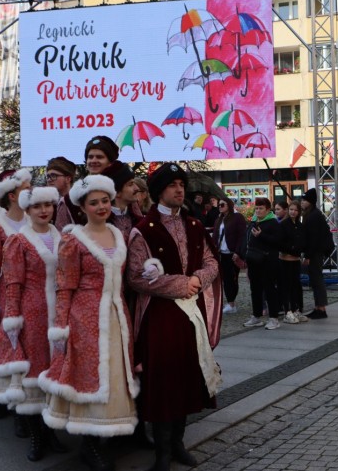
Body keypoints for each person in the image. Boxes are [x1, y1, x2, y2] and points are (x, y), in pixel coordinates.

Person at [127, 163, 222, 471]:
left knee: (186, 376)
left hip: (190, 314)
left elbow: (211, 261)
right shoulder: (143, 230)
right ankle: (162, 452)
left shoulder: (194, 225)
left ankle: (179, 443)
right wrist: (181, 284)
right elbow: (136, 277)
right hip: (160, 315)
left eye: (181, 184)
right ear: (158, 192)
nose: (179, 189)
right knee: (163, 381)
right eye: (172, 185)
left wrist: (199, 278)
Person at [39, 175, 138, 471]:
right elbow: (65, 285)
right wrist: (62, 327)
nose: (101, 206)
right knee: (88, 375)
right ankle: (89, 444)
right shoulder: (73, 239)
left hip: (117, 315)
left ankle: (108, 435)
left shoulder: (118, 234)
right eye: (94, 203)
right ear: (82, 207)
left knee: (115, 374)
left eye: (105, 200)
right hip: (85, 317)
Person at [0, 186, 67, 462]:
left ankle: (51, 430)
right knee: (33, 370)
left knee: (53, 367)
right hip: (32, 312)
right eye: (37, 206)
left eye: (48, 205)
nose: (44, 210)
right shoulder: (18, 241)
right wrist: (11, 319)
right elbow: (12, 283)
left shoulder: (62, 237)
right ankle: (36, 435)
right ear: (28, 210)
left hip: (58, 312)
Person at [0, 169, 32, 421]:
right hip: (7, 293)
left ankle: (28, 404)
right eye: (26, 189)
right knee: (8, 346)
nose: (31, 192)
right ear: (12, 196)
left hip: (33, 294)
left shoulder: (33, 222)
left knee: (30, 348)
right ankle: (6, 399)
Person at [240, 197, 282, 330]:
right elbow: (248, 240)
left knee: (269, 289)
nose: (258, 211)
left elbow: (278, 241)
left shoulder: (273, 222)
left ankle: (274, 318)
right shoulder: (253, 222)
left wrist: (261, 235)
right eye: (256, 208)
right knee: (255, 289)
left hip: (268, 261)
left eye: (261, 208)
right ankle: (256, 316)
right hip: (253, 261)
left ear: (268, 209)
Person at [300, 189, 331, 319]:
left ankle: (321, 309)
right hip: (315, 251)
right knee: (315, 279)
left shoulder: (313, 216)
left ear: (310, 202)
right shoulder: (312, 214)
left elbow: (313, 239)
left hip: (315, 253)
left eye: (304, 200)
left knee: (317, 280)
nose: (301, 203)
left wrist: (307, 256)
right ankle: (318, 307)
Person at [213, 198, 246, 315]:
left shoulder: (237, 218)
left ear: (229, 205)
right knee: (225, 279)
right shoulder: (219, 219)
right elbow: (216, 236)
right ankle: (230, 303)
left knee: (233, 278)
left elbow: (242, 236)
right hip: (222, 253)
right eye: (219, 205)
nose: (220, 207)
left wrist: (238, 252)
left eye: (222, 204)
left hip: (233, 253)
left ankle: (232, 303)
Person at [278, 200, 307, 323]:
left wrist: (300, 251)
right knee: (286, 286)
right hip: (285, 259)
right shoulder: (284, 224)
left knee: (296, 286)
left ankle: (296, 309)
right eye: (291, 209)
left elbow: (303, 242)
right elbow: (280, 243)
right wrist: (292, 249)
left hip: (296, 259)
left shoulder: (300, 226)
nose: (293, 212)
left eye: (295, 210)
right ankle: (287, 311)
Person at [101, 161, 142, 240]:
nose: (137, 188)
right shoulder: (101, 223)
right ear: (116, 193)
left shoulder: (137, 219)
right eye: (130, 184)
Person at [49, 156, 85, 229]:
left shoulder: (78, 202)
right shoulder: (49, 203)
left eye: (53, 176)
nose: (49, 180)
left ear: (68, 179)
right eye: (48, 176)